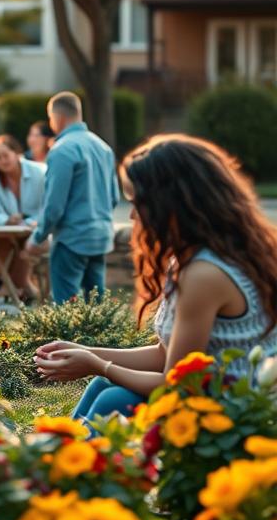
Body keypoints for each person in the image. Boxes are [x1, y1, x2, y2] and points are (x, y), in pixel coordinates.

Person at [35, 134, 277, 426]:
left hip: (237, 414)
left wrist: (99, 365)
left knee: (113, 398)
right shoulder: (192, 257)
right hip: (204, 395)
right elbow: (166, 356)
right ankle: (61, 449)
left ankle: (67, 453)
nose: (132, 215)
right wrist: (86, 353)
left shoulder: (205, 274)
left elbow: (176, 383)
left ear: (171, 204)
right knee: (103, 386)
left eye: (138, 203)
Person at [28, 92, 120, 303]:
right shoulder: (103, 148)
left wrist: (37, 238)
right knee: (96, 306)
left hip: (71, 240)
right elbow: (114, 197)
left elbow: (54, 206)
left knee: (65, 308)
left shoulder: (62, 150)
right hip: (100, 237)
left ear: (58, 118)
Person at [0, 133, 46, 301]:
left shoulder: (39, 172)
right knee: (0, 240)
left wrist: (28, 222)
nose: (3, 160)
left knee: (24, 243)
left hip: (36, 230)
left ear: (16, 153)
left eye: (6, 155)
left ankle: (9, 288)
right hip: (9, 230)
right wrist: (7, 220)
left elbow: (48, 206)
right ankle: (23, 289)